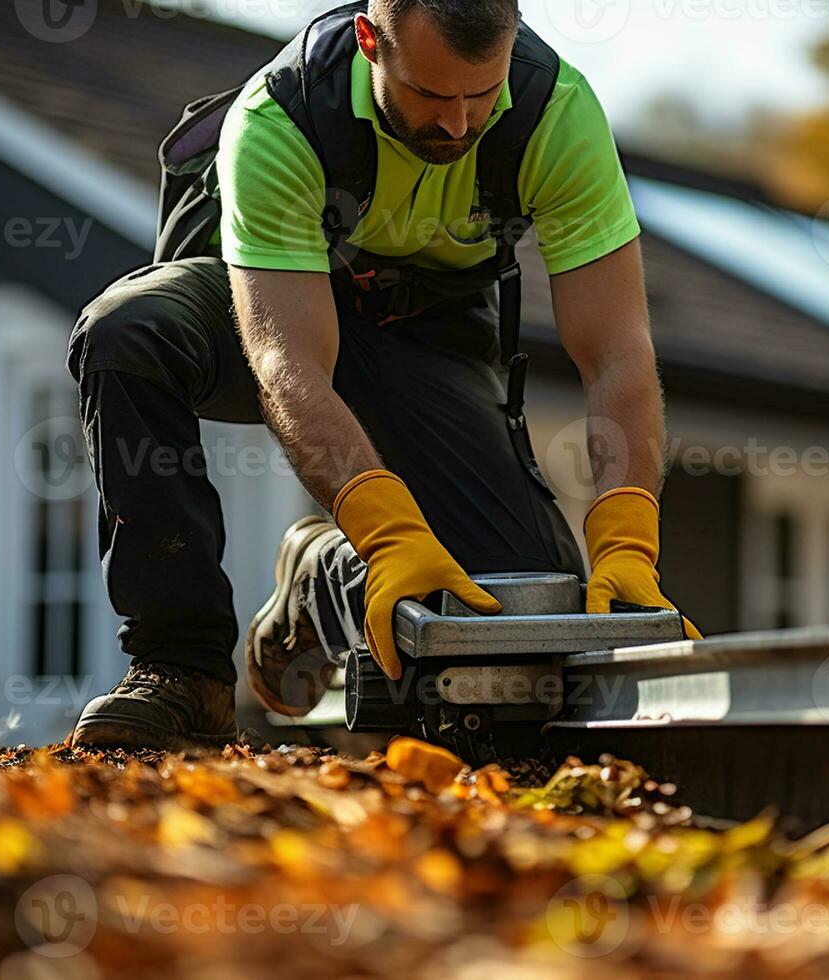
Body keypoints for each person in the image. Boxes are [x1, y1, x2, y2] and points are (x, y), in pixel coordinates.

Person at [66, 0, 699, 750]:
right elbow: (287, 363)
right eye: (431, 97)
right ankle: (182, 671)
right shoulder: (282, 117)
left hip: (428, 341)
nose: (460, 126)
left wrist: (627, 537)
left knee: (513, 635)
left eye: (480, 97)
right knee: (127, 330)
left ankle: (321, 579)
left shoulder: (555, 111)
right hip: (270, 319)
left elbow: (617, 351)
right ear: (371, 42)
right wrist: (389, 531)